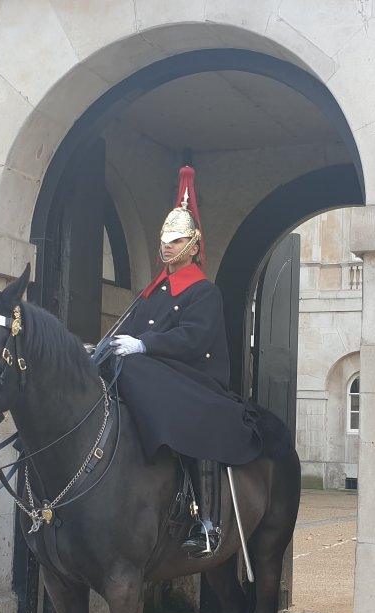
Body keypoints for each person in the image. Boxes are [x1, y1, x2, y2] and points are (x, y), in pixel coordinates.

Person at [104, 166, 261, 557]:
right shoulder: (152, 293)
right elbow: (132, 334)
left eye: (176, 240)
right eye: (164, 240)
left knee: (155, 384)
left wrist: (143, 346)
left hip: (194, 378)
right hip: (156, 374)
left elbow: (193, 339)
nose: (167, 246)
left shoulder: (203, 292)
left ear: (193, 246)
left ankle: (206, 522)